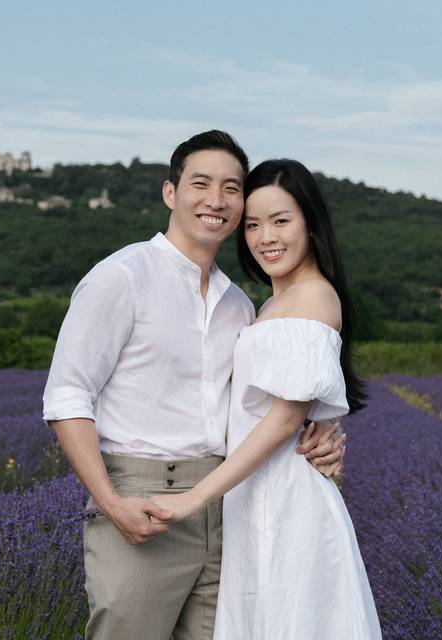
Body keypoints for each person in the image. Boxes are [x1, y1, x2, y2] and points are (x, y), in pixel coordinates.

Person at [43, 131, 347, 640]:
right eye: (200, 183)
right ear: (170, 192)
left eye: (232, 189)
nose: (217, 200)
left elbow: (270, 403)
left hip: (230, 506)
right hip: (144, 498)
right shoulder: (123, 276)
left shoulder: (239, 305)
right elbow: (67, 395)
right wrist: (112, 502)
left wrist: (322, 434)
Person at [151, 159, 382, 639]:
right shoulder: (270, 303)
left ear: (310, 224)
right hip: (252, 497)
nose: (265, 237)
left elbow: (281, 421)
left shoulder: (314, 297)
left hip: (286, 503)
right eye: (253, 224)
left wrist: (191, 499)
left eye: (281, 220)